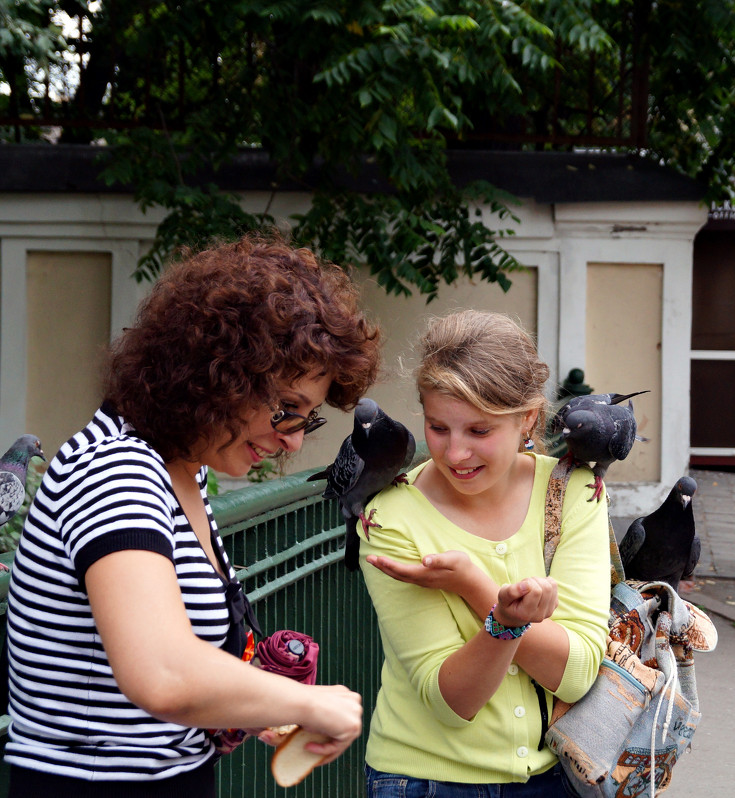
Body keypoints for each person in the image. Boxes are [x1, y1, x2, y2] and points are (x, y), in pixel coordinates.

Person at [4, 237, 379, 795]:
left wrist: (251, 699)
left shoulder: (182, 468)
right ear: (219, 375)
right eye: (286, 410)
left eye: (306, 419)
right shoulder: (115, 473)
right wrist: (306, 701)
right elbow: (160, 673)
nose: (294, 443)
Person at [358, 310, 611, 797]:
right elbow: (452, 703)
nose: (455, 454)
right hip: (423, 781)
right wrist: (506, 618)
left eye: (478, 431)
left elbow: (577, 675)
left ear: (528, 418)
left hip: (558, 777)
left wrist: (474, 589)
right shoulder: (390, 518)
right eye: (438, 427)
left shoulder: (575, 492)